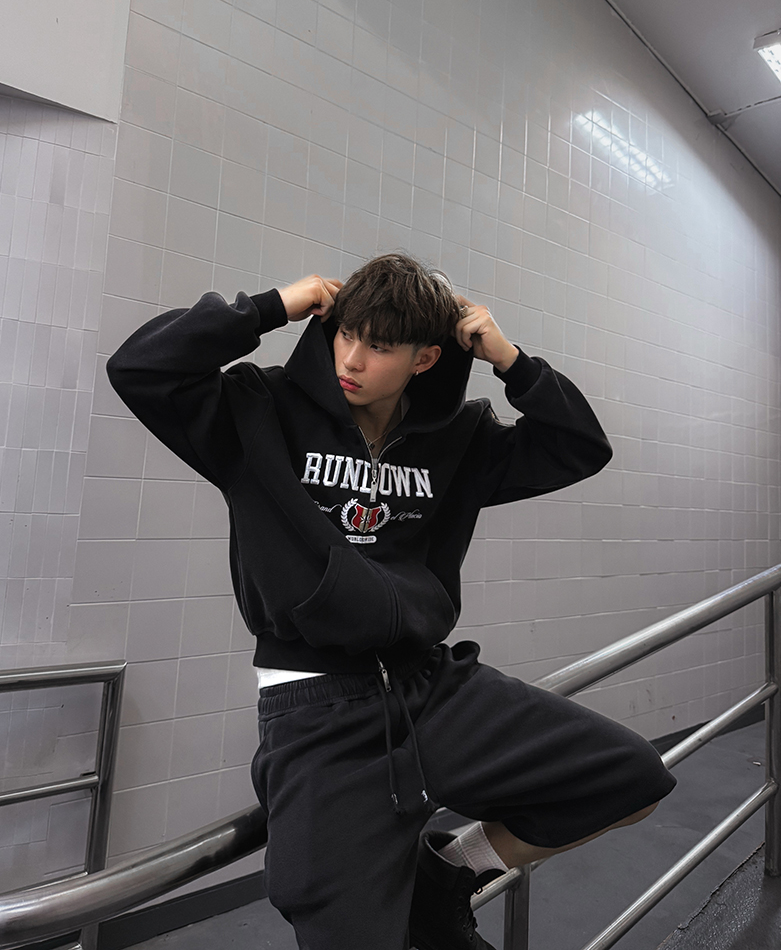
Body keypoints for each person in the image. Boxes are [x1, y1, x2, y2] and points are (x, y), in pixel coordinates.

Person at [107, 252, 675, 950]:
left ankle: (448, 874)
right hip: (314, 706)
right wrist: (272, 306)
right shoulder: (257, 410)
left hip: (428, 686)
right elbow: (141, 368)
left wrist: (508, 359)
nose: (351, 359)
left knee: (629, 778)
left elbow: (579, 447)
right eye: (346, 334)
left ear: (425, 358)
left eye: (379, 347)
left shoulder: (459, 438)